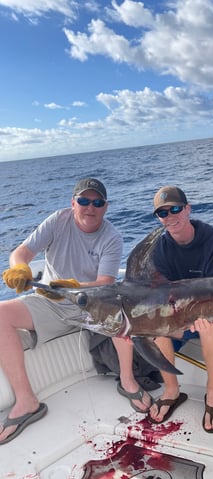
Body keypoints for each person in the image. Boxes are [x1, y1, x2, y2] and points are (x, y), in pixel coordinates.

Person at [0, 178, 151, 444]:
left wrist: (72, 287)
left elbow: (105, 284)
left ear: (105, 207)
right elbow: (21, 252)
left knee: (120, 310)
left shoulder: (112, 237)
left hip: (91, 304)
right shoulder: (58, 220)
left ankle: (128, 381)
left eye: (97, 202)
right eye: (83, 201)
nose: (89, 207)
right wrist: (20, 267)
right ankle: (26, 401)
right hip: (50, 303)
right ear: (73, 203)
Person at [147, 186, 213, 433]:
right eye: (163, 213)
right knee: (155, 328)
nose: (170, 216)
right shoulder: (159, 249)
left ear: (187, 209)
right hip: (178, 316)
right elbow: (160, 295)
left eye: (175, 209)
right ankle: (172, 390)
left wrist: (195, 317)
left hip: (212, 314)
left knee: (209, 325)